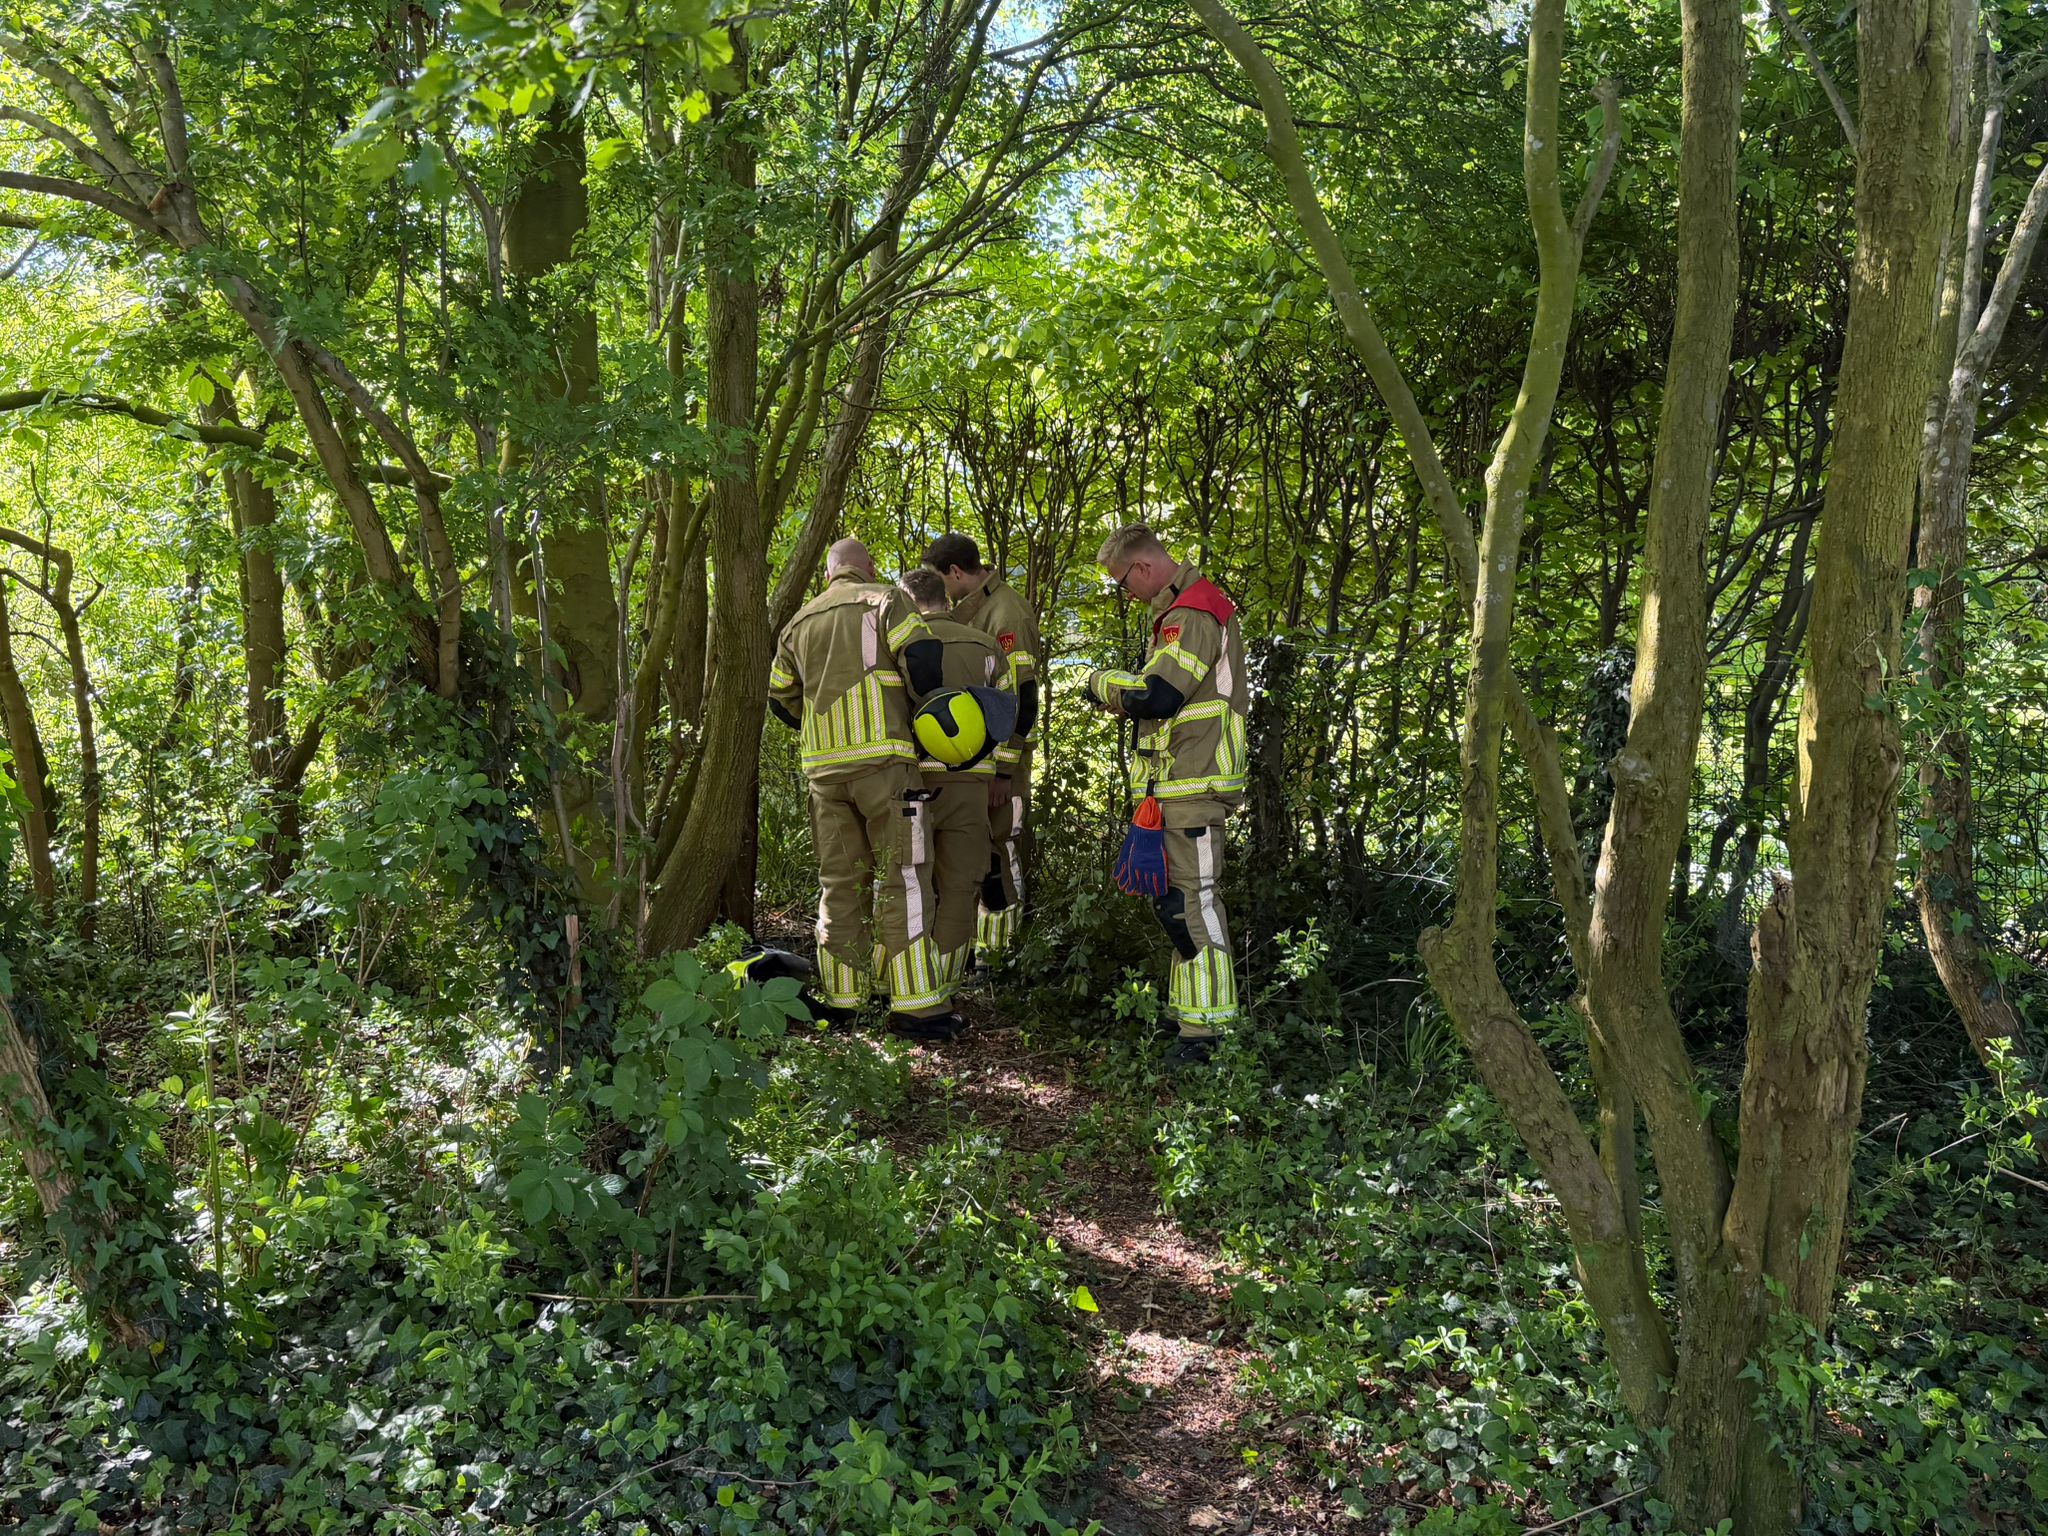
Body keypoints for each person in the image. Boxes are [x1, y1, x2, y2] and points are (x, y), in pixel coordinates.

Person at [767, 538, 962, 1040]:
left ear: (828, 573)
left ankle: (844, 1001)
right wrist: (923, 716)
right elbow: (923, 661)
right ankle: (917, 1006)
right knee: (906, 877)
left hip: (823, 774)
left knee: (839, 883)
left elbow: (780, 699)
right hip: (885, 766)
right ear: (866, 567)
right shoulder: (884, 599)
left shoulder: (797, 623)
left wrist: (822, 731)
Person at [1083, 525, 1248, 1068]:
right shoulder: (1183, 611)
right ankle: (1193, 1020)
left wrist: (1101, 683)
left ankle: (1210, 1036)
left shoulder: (1192, 613)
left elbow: (1157, 695)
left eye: (1120, 580)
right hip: (1179, 788)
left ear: (1144, 567)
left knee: (1191, 906)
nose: (1123, 591)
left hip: (1194, 787)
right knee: (1177, 904)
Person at [922, 533, 1041, 966]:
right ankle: (969, 950)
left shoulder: (1006, 614)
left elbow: (1023, 700)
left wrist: (1005, 771)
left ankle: (999, 957)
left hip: (998, 766)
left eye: (941, 580)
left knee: (999, 853)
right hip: (971, 765)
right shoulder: (972, 610)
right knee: (969, 855)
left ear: (956, 572)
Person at [898, 567, 1010, 1000]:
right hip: (970, 784)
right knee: (961, 886)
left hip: (913, 781)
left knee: (910, 883)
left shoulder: (901, 645)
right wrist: (1002, 770)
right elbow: (1008, 714)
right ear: (947, 597)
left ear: (907, 601)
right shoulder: (984, 646)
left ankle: (901, 980)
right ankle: (942, 985)